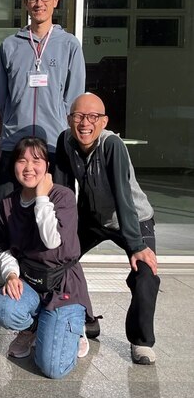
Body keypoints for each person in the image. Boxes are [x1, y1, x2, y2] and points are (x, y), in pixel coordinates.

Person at [54, 93, 160, 365]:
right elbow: (64, 191)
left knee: (145, 273)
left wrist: (136, 246)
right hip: (92, 218)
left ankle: (141, 341)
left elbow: (123, 195)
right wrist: (61, 233)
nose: (84, 123)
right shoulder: (65, 141)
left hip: (133, 218)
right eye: (78, 116)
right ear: (69, 119)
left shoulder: (112, 144)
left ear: (104, 121)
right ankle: (86, 319)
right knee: (61, 258)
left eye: (93, 117)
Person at [0, 137, 91, 379]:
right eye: (22, 160)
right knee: (4, 308)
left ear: (47, 165)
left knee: (53, 369)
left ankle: (75, 329)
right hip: (31, 282)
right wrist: (11, 275)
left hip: (63, 286)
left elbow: (52, 242)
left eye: (36, 160)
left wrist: (42, 197)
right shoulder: (7, 204)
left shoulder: (62, 197)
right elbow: (5, 249)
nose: (28, 167)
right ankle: (34, 327)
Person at [0, 0, 85, 207]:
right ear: (25, 3)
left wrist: (60, 126)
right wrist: (14, 120)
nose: (39, 3)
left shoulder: (69, 45)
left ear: (56, 0)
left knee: (56, 208)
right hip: (15, 143)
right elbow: (3, 99)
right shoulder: (10, 45)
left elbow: (74, 98)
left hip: (54, 144)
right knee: (6, 208)